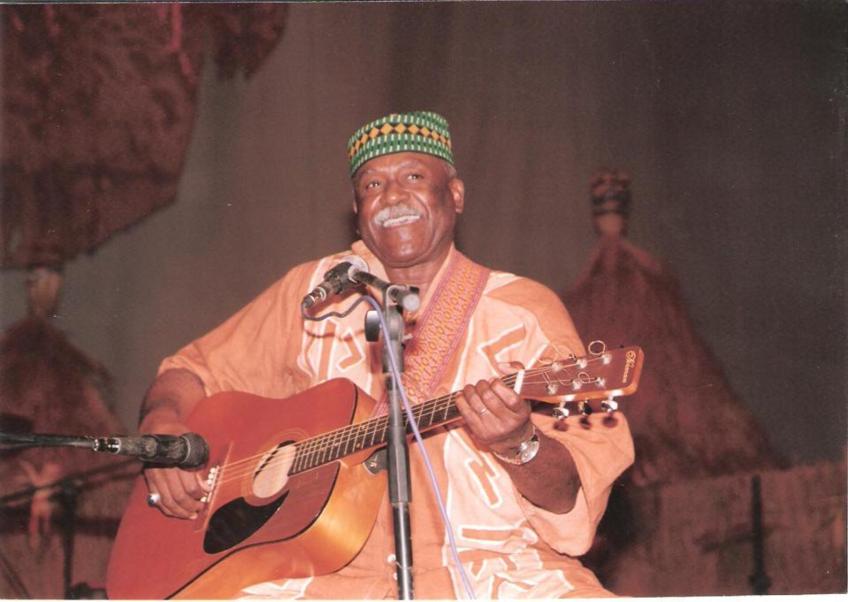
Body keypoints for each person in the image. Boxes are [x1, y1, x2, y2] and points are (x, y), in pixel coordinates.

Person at [137, 111, 634, 599]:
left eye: (413, 177)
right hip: (313, 575)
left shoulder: (521, 311)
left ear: (455, 195)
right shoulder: (316, 294)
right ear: (357, 210)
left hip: (488, 570)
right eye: (373, 185)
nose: (392, 196)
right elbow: (189, 372)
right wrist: (163, 428)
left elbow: (570, 500)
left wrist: (519, 444)